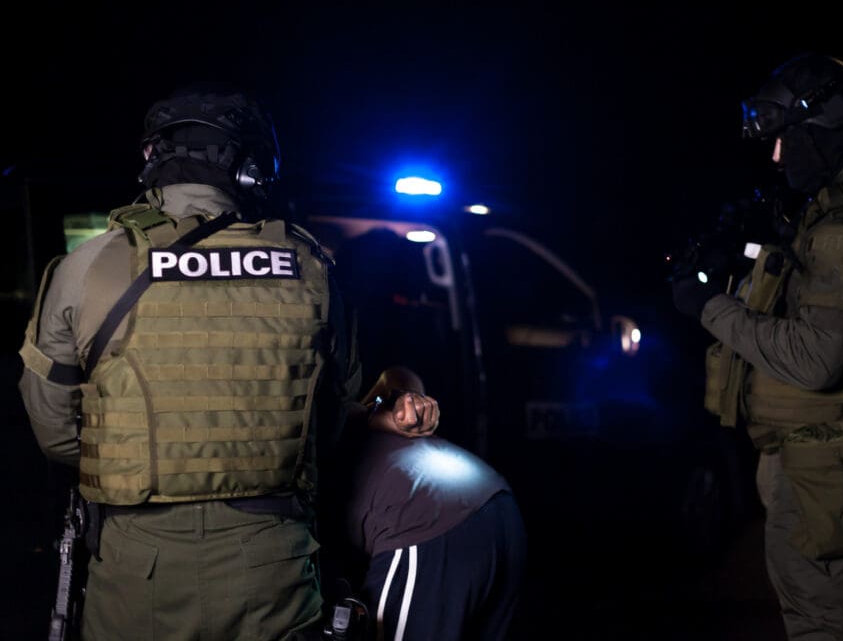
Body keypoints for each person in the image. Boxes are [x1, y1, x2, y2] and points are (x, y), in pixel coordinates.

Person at [17, 88, 439, 641]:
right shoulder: (310, 267)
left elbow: (56, 435)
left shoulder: (86, 266)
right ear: (253, 168)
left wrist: (137, 459)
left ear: (152, 158)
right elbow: (331, 420)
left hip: (135, 571)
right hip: (272, 570)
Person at [673, 53, 843, 640]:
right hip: (814, 457)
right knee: (814, 621)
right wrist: (746, 259)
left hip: (825, 465)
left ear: (822, 129)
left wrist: (709, 306)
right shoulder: (841, 212)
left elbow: (817, 358)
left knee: (824, 628)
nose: (776, 157)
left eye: (785, 140)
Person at [323, 366, 526, 641]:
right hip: (497, 505)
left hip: (426, 521)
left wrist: (397, 403)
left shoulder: (325, 419)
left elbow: (399, 378)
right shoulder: (348, 418)